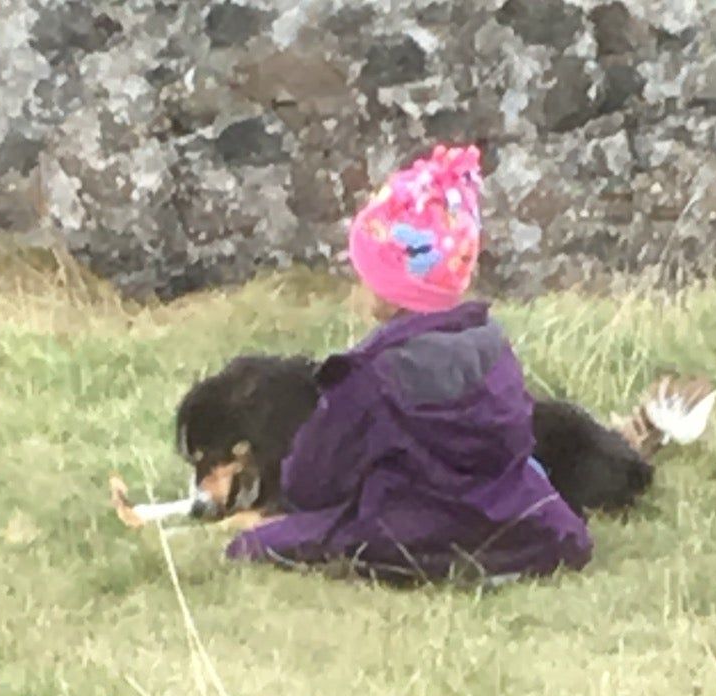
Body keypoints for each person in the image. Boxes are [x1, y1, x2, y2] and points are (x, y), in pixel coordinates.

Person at [225, 145, 594, 583]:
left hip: (413, 530)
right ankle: (503, 560)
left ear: (388, 289)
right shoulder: (495, 348)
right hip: (515, 524)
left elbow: (314, 482)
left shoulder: (369, 375)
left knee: (256, 542)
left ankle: (443, 563)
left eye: (364, 276)